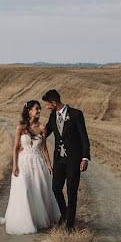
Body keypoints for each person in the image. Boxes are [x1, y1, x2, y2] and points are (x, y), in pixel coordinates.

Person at [0, 100, 62, 234]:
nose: (39, 111)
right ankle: (25, 221)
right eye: (36, 109)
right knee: (25, 190)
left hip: (38, 162)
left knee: (38, 189)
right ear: (29, 111)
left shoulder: (42, 128)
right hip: (23, 162)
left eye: (39, 109)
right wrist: (14, 165)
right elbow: (16, 148)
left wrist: (49, 165)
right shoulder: (20, 127)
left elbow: (44, 148)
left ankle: (38, 218)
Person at [42, 89, 90, 232]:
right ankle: (65, 213)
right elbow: (46, 132)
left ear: (54, 102)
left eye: (47, 104)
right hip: (59, 160)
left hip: (74, 160)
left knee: (71, 191)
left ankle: (69, 225)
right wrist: (29, 134)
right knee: (56, 188)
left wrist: (85, 158)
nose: (46, 107)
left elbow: (84, 137)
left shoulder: (76, 114)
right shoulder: (52, 116)